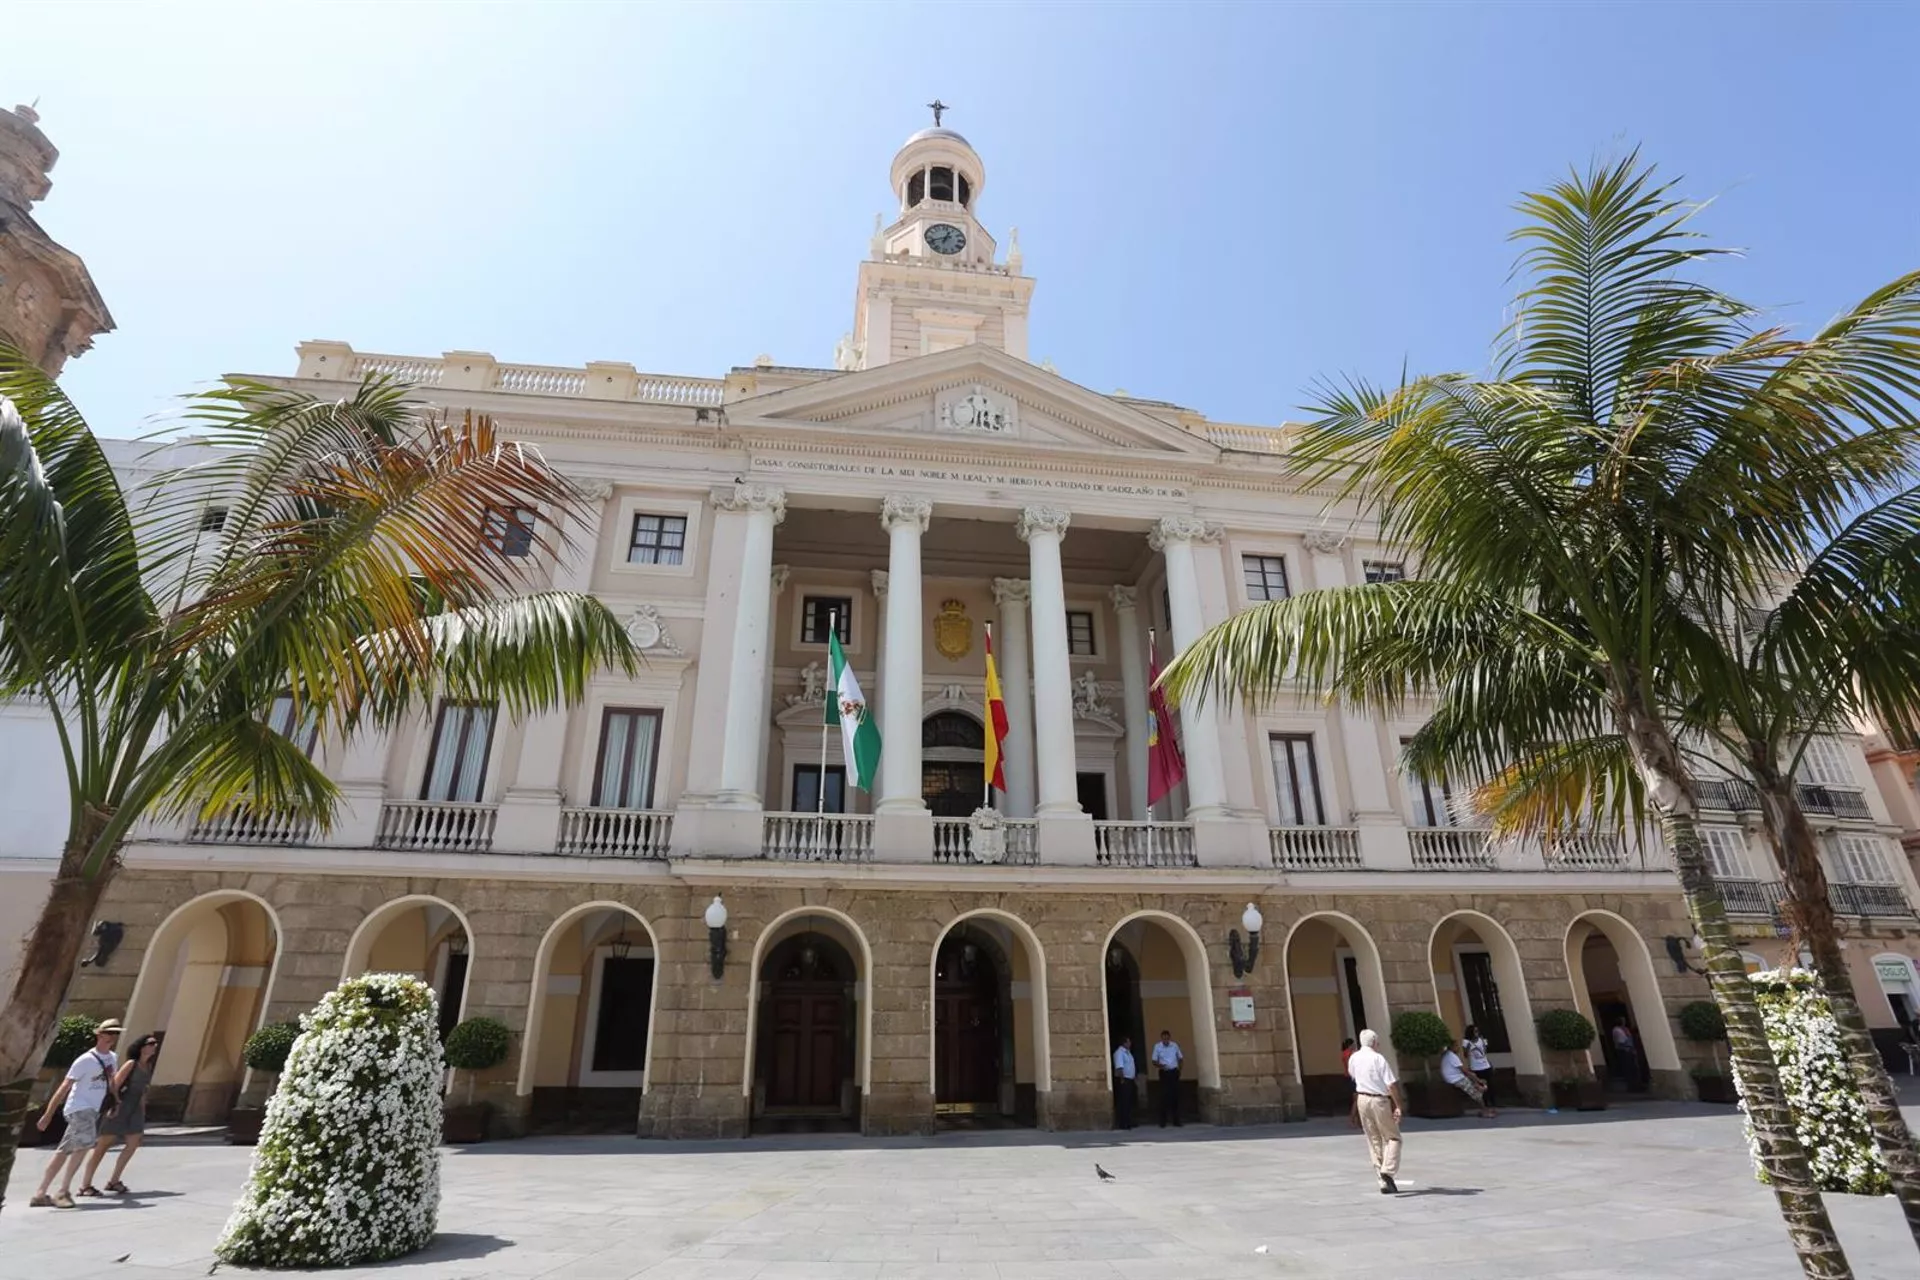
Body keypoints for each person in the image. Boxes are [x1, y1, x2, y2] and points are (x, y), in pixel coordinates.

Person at [30, 1018, 122, 1209]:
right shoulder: (85, 1060)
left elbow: (111, 1081)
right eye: (109, 1033)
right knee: (82, 1148)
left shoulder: (112, 1057)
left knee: (66, 1150)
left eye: (115, 1033)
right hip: (80, 1108)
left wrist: (115, 1100)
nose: (112, 1037)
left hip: (93, 1110)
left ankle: (41, 1192)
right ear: (99, 1034)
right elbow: (64, 1087)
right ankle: (62, 1191)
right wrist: (48, 1115)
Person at [80, 1031, 162, 1196]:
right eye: (151, 1043)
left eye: (155, 1044)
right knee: (103, 1145)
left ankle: (114, 1180)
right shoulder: (131, 1064)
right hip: (120, 1106)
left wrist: (143, 1113)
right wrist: (115, 1104)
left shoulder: (149, 1067)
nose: (154, 1046)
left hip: (136, 1109)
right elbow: (114, 1085)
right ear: (141, 1047)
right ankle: (85, 1184)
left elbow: (143, 1092)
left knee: (133, 1143)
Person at [1345, 1028, 1403, 1194]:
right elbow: (1390, 1084)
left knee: (1373, 1139)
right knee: (1393, 1137)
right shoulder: (1378, 1058)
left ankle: (1382, 1181)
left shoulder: (1354, 1057)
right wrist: (1398, 1105)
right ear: (1375, 1042)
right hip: (1379, 1100)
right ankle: (1388, 1170)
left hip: (1362, 1099)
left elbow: (1353, 1075)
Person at [1440, 1040, 1497, 1118]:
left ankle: (1484, 1105)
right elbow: (1464, 1071)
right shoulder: (1452, 1056)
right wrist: (1478, 1080)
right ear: (1452, 1047)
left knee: (1474, 1081)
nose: (1458, 1048)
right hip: (1455, 1079)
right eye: (1456, 1046)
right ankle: (1485, 1111)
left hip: (1455, 1077)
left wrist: (1475, 1079)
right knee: (1476, 1091)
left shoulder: (1448, 1055)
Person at [1150, 1030, 1184, 1127]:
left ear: (1169, 1037)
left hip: (1174, 1072)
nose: (1165, 1040)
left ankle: (1176, 1120)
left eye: (1167, 1038)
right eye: (1163, 1038)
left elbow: (1180, 1058)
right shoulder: (1157, 1046)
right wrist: (1161, 1066)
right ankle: (1162, 1121)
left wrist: (1179, 1069)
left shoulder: (1174, 1045)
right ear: (1161, 1038)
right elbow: (1154, 1061)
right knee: (1163, 1097)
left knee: (1175, 1097)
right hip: (1164, 1073)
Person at [1111, 1036, 1137, 1130]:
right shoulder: (1120, 1053)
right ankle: (1124, 1123)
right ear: (1124, 1043)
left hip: (1130, 1079)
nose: (1130, 1043)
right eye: (1128, 1042)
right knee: (1124, 1102)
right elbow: (1119, 1067)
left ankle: (1129, 1121)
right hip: (1124, 1080)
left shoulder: (1128, 1052)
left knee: (1129, 1102)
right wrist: (1122, 1079)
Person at [1464, 1023, 1494, 1104]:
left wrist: (1484, 1044)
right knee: (1480, 1085)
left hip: (1485, 1065)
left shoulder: (1481, 1040)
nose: (1476, 1033)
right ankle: (1485, 1103)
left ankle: (1493, 1101)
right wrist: (1468, 1047)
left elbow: (1485, 1052)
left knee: (1490, 1084)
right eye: (1475, 1031)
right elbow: (1465, 1055)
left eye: (1477, 1031)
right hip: (1476, 1067)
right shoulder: (1466, 1042)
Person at [1610, 1018, 1641, 1089]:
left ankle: (1635, 1084)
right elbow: (1621, 1042)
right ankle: (1631, 1085)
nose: (1624, 1022)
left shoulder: (1623, 1029)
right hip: (1624, 1051)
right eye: (1623, 1021)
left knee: (1633, 1067)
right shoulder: (1617, 1030)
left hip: (1628, 1050)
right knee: (1628, 1067)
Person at [1341, 1038, 1360, 1128]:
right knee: (1357, 1100)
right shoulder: (1351, 1054)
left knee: (1355, 1099)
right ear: (1350, 1045)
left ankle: (1356, 1120)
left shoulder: (1344, 1054)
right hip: (1354, 1078)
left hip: (1347, 1078)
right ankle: (1352, 1118)